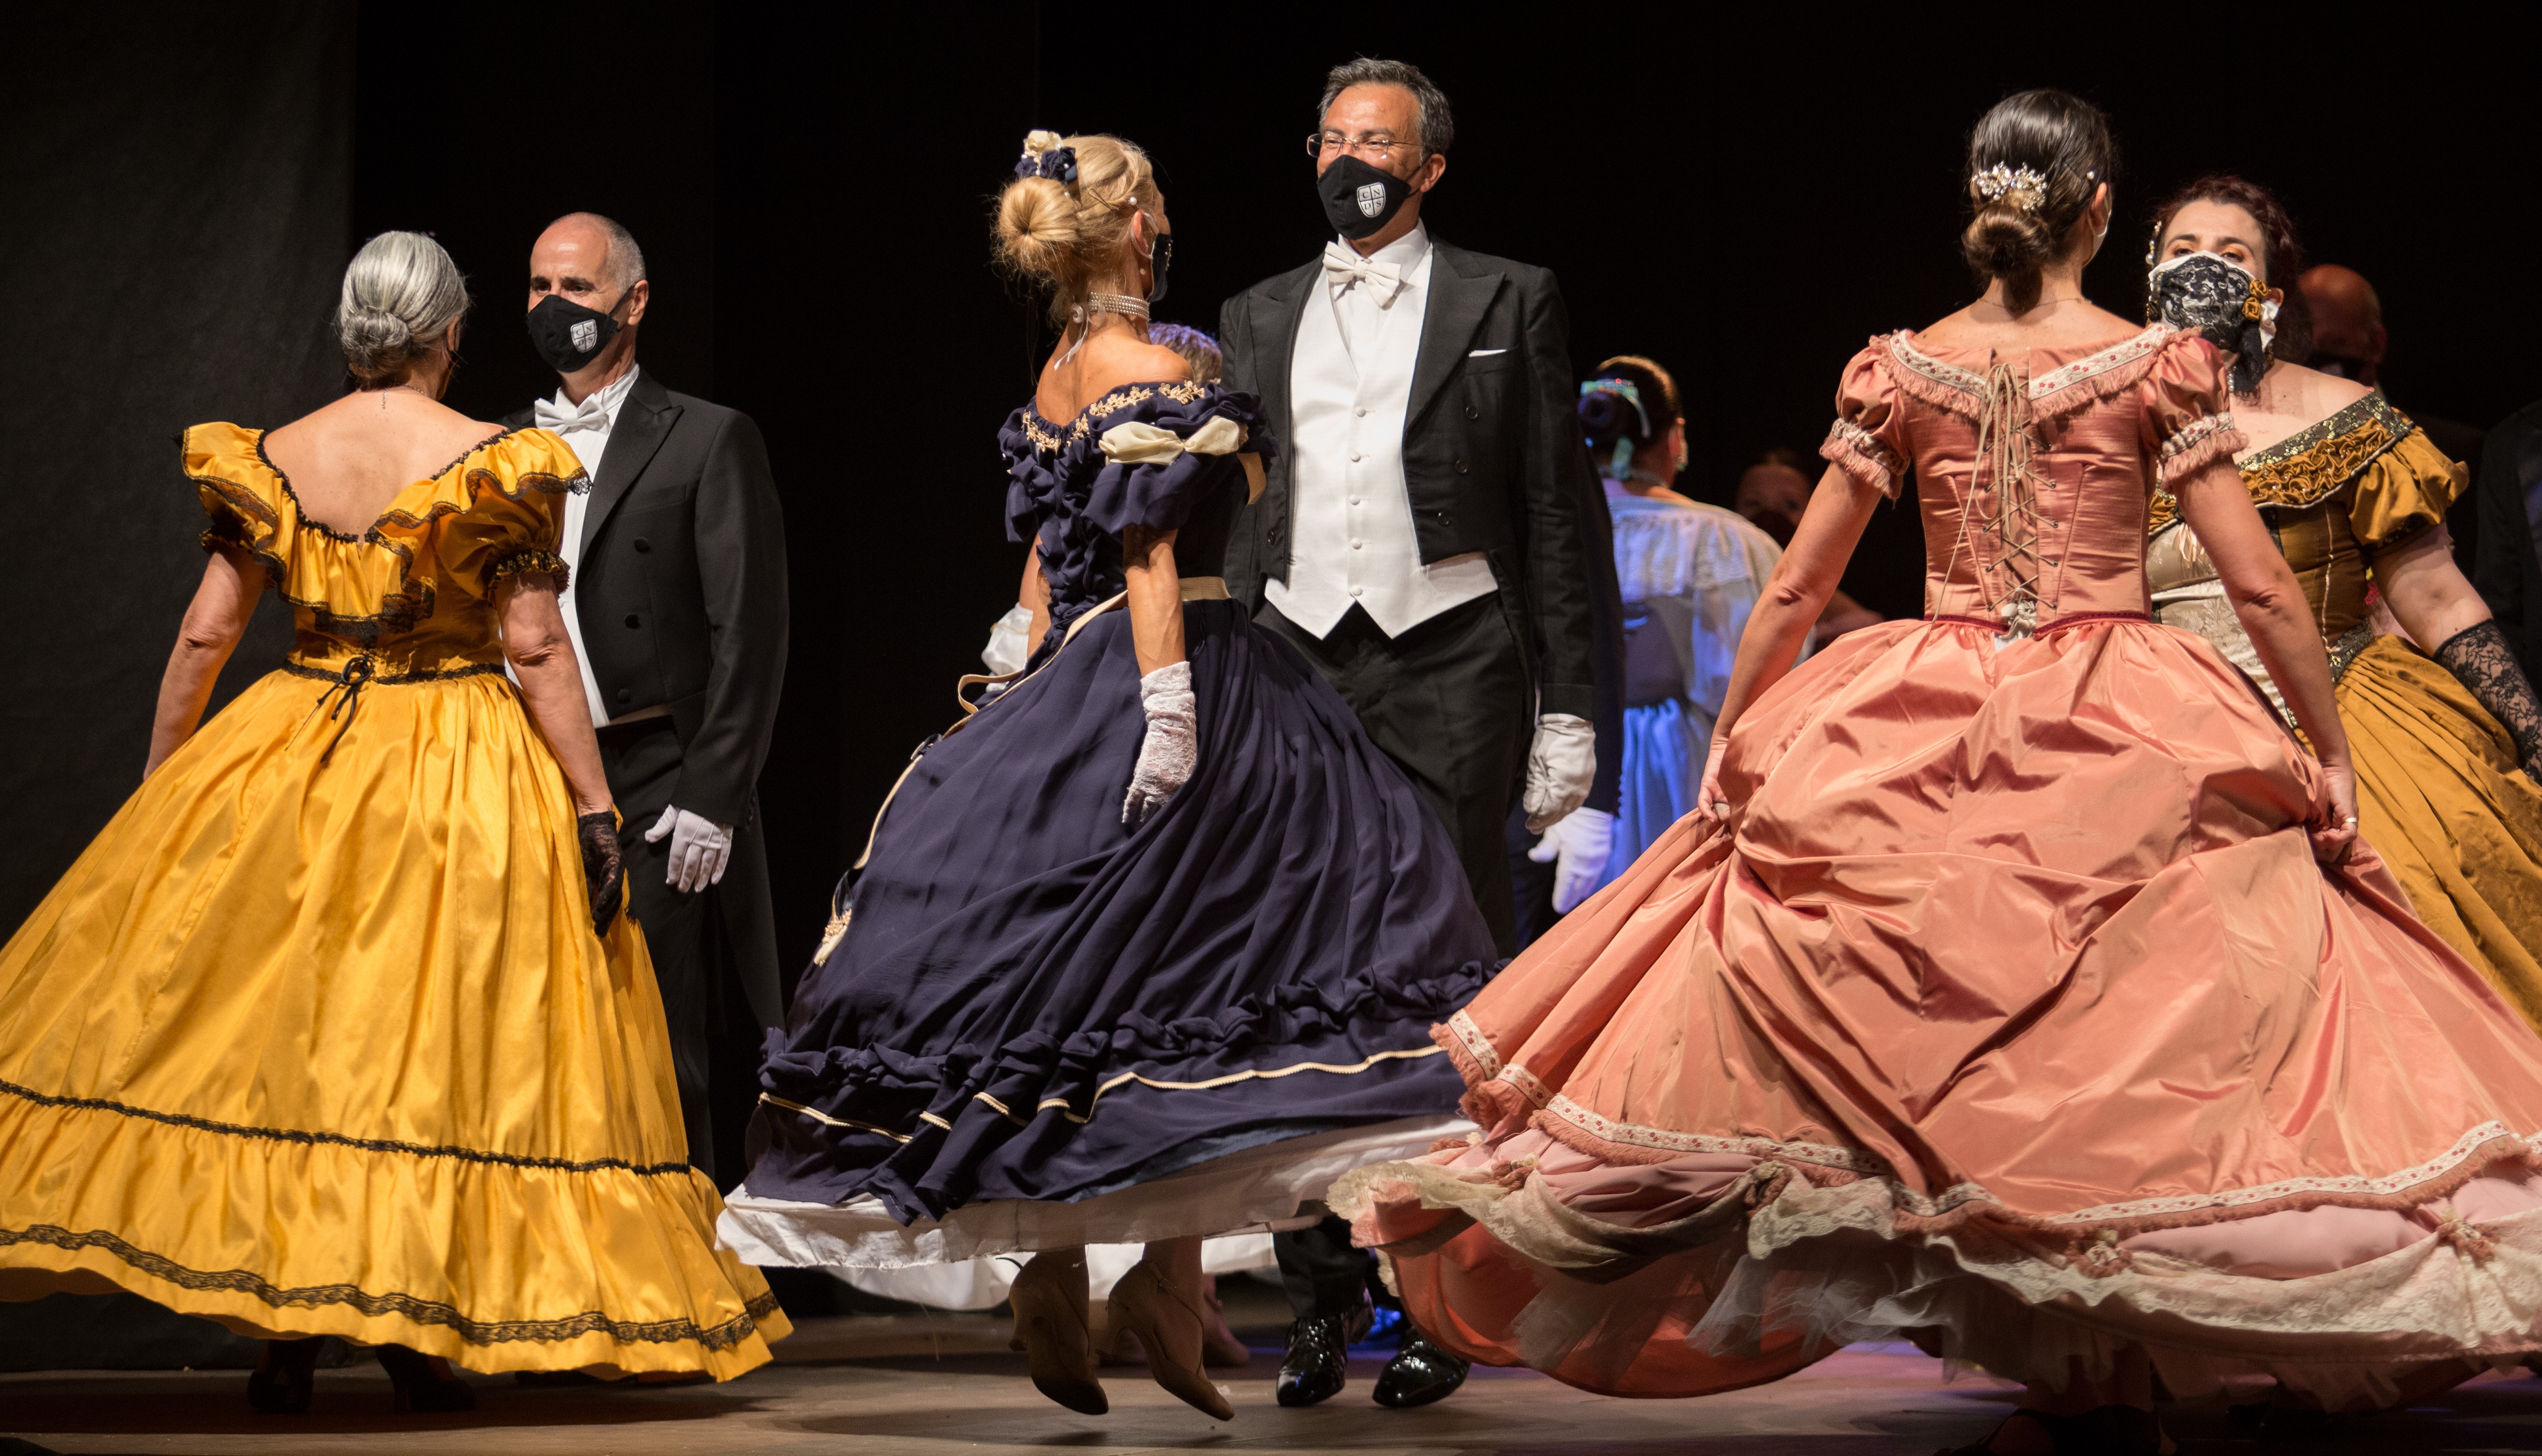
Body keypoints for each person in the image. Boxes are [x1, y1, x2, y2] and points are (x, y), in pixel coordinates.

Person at [1334, 91, 2542, 1454]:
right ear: (2101, 217)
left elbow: (1797, 586)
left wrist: (1743, 746)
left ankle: (2070, 1362)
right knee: (2133, 1034)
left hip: (1929, 710)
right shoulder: (2152, 368)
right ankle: (2113, 1355)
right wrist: (2325, 754)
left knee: (1968, 1019)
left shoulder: (1902, 368)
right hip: (2131, 704)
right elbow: (2261, 585)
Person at [722, 131, 1496, 1423]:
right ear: (1133, 225)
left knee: (1125, 965)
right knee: (1213, 948)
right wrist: (1167, 709)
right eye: (1157, 207)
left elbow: (1042, 557)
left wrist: (1018, 663)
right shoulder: (1142, 367)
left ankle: (1103, 1267)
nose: (1164, 224)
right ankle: (1115, 1269)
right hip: (1173, 661)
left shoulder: (1062, 367)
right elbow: (1144, 556)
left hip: (1069, 675)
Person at [0, 232, 786, 1411]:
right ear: (450, 333)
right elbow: (531, 646)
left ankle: (289, 1337)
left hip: (295, 748)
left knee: (297, 1043)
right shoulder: (490, 460)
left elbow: (207, 634)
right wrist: (592, 802)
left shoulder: (276, 456)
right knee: (423, 1051)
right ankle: (412, 1325)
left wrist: (167, 792)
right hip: (446, 762)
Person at [1215, 55, 1598, 1411]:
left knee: (1442, 980)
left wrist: (1572, 708)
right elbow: (1246, 504)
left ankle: (1438, 1296)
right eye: (1327, 138)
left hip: (1451, 653)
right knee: (1290, 972)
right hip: (1298, 656)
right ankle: (1316, 1297)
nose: (1347, 161)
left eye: (1373, 141)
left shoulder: (1507, 295)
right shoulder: (1253, 312)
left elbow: (1559, 515)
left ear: (1428, 166)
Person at [2145, 176, 2542, 1020]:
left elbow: (2433, 593)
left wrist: (2529, 728)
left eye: (2229, 254)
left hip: (2345, 707)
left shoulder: (2340, 412)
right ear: (2147, 270)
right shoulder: (2102, 419)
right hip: (2161, 719)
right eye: (2181, 251)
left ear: (2266, 292)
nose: (2201, 269)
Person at [501, 213, 789, 1186]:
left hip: (658, 773)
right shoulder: (501, 447)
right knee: (533, 1045)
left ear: (634, 301)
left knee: (660, 1046)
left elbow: (748, 632)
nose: (554, 309)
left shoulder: (707, 438)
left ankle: (680, 1295)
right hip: (533, 770)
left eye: (575, 289)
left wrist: (715, 794)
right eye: (539, 287)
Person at [1531, 357, 1787, 913]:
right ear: (1673, 438)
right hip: (1672, 754)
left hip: (1555, 745)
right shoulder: (1723, 539)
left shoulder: (1545, 533)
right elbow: (1755, 675)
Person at [2298, 263, 2488, 569]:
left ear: (2376, 344)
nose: (2317, 362)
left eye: (2334, 345)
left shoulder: (2453, 453)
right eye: (2305, 348)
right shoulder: (2264, 455)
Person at [1733, 448, 1882, 637]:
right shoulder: (1709, 606)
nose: (1770, 516)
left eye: (1790, 505)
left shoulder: (1855, 631)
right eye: (1754, 503)